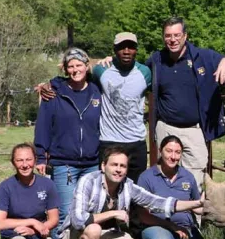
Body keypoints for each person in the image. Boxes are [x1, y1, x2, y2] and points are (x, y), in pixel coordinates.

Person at [99, 17, 225, 188]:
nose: (172, 40)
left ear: (185, 36)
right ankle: (165, 213)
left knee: (194, 180)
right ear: (163, 37)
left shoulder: (203, 57)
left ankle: (191, 214)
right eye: (168, 36)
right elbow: (133, 68)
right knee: (165, 180)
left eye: (177, 35)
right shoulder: (156, 60)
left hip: (195, 130)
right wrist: (113, 59)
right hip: (165, 128)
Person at [57, 146, 204, 239]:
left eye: (123, 166)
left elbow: (157, 202)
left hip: (107, 235)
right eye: (114, 165)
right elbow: (78, 220)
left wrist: (196, 203)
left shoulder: (128, 185)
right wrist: (113, 213)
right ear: (103, 166)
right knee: (93, 229)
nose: (118, 170)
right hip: (75, 238)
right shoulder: (88, 181)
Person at [40, 33, 151, 182]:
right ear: (114, 49)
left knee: (135, 192)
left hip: (136, 142)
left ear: (136, 49)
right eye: (121, 47)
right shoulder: (102, 70)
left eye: (130, 47)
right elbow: (77, 75)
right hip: (109, 141)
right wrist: (51, 84)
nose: (126, 51)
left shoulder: (146, 72)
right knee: (106, 194)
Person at [33, 47, 103, 239]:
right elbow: (43, 125)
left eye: (79, 65)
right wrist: (40, 155)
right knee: (64, 212)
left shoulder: (97, 91)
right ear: (65, 68)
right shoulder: (54, 92)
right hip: (64, 163)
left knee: (88, 212)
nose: (75, 70)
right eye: (70, 66)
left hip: (92, 161)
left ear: (86, 66)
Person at [135, 135, 212, 239]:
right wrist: (171, 226)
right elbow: (143, 215)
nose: (173, 156)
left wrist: (211, 209)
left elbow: (196, 206)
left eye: (177, 152)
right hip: (156, 227)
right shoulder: (147, 177)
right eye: (169, 151)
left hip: (185, 229)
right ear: (160, 151)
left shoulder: (187, 176)